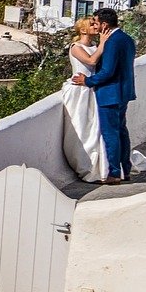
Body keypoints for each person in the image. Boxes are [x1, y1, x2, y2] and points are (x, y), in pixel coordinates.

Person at [72, 8, 136, 185]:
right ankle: (126, 168)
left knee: (111, 133)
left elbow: (107, 71)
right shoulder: (126, 39)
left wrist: (88, 81)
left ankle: (115, 173)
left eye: (96, 22)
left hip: (109, 93)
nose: (95, 24)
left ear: (105, 24)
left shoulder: (111, 42)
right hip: (124, 91)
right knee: (122, 130)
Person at [62, 17, 109, 183]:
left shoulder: (94, 47)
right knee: (81, 127)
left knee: (94, 129)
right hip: (79, 91)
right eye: (91, 24)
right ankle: (84, 164)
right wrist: (103, 43)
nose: (95, 26)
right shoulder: (76, 47)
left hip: (92, 89)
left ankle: (98, 165)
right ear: (82, 30)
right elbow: (91, 61)